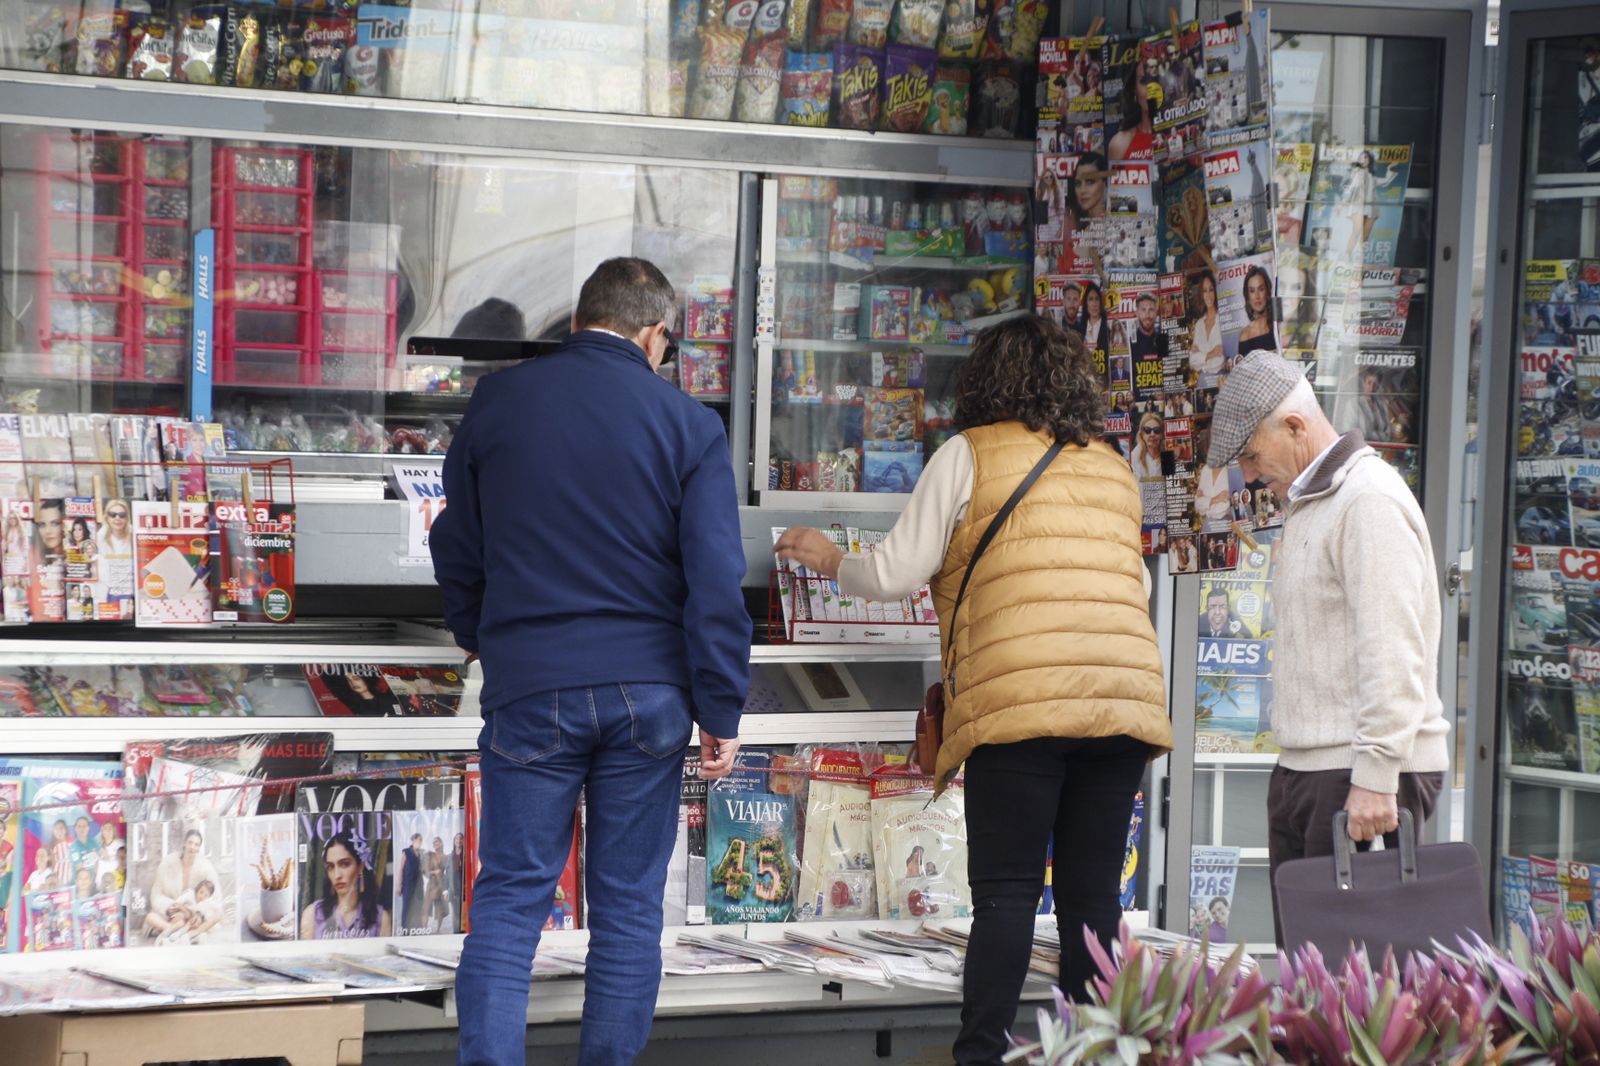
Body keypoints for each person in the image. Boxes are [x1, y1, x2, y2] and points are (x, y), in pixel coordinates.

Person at [773, 316, 1171, 1065]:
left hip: (1018, 706)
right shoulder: (1113, 467)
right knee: (1093, 900)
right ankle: (1098, 1053)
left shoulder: (969, 454)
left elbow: (892, 574)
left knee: (1009, 894)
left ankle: (982, 1053)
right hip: (1121, 703)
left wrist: (829, 560)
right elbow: (1135, 587)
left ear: (986, 379)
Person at [432, 257, 749, 1066]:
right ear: (653, 335)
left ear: (580, 322)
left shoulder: (499, 402)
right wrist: (721, 711)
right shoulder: (689, 426)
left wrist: (478, 635)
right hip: (650, 696)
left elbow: (456, 544)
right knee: (627, 910)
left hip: (531, 686)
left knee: (508, 902)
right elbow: (715, 580)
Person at [1205, 352, 1450, 946]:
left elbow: (1393, 647)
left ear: (1294, 427)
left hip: (1356, 775)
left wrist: (1375, 775)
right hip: (1312, 768)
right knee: (1310, 971)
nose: (1250, 473)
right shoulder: (1316, 502)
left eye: (1252, 456)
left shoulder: (1367, 500)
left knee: (1347, 979)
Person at [300, 831, 391, 940]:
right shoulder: (312, 915)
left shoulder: (381, 919)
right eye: (331, 867)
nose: (337, 875)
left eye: (344, 864)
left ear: (360, 866)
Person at [1109, 56, 1154, 161]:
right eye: (1144, 81)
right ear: (1133, 90)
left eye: (1154, 78)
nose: (1152, 87)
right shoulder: (1120, 143)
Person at [1235, 266, 1278, 358]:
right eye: (1252, 291)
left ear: (1268, 291)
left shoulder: (1278, 326)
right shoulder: (1245, 335)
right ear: (1247, 296)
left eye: (1261, 289)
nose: (1257, 296)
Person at [1188, 271, 1225, 379]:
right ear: (1201, 294)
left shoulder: (1222, 319)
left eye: (1211, 290)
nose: (1208, 295)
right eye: (1204, 291)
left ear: (1216, 291)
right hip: (1204, 383)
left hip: (1221, 379)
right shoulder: (1199, 324)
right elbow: (1192, 361)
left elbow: (1221, 360)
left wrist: (1201, 355)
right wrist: (1211, 354)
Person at [400, 831, 425, 933]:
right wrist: (398, 884)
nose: (420, 842)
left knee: (418, 906)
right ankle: (404, 928)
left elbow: (424, 868)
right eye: (418, 840)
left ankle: (417, 928)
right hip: (408, 883)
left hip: (419, 884)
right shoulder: (406, 852)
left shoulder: (421, 853)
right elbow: (401, 869)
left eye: (421, 840)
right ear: (413, 840)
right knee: (407, 906)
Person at [1129, 292, 1165, 360]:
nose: (1147, 315)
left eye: (1151, 310)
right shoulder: (1130, 343)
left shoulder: (1162, 339)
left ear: (1156, 313)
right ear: (1137, 313)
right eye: (1143, 310)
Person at [1131, 413, 1164, 480]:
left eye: (1156, 430)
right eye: (1147, 430)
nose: (1152, 434)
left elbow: (1170, 483)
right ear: (1142, 435)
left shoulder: (1167, 453)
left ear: (1161, 434)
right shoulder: (1136, 454)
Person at [1079, 282, 1107, 356]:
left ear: (1101, 302)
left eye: (1097, 299)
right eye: (1091, 299)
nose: (1094, 304)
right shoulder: (1080, 329)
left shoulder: (1107, 327)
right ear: (1086, 303)